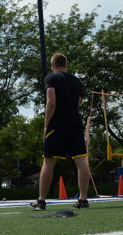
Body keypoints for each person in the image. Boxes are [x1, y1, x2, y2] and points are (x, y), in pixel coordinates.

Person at [31, 53, 90, 211]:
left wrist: (46, 125)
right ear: (66, 64)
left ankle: (41, 201)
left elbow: (51, 103)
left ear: (53, 65)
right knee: (81, 160)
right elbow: (78, 102)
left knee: (49, 161)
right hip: (75, 123)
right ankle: (83, 199)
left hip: (57, 124)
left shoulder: (51, 78)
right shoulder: (76, 81)